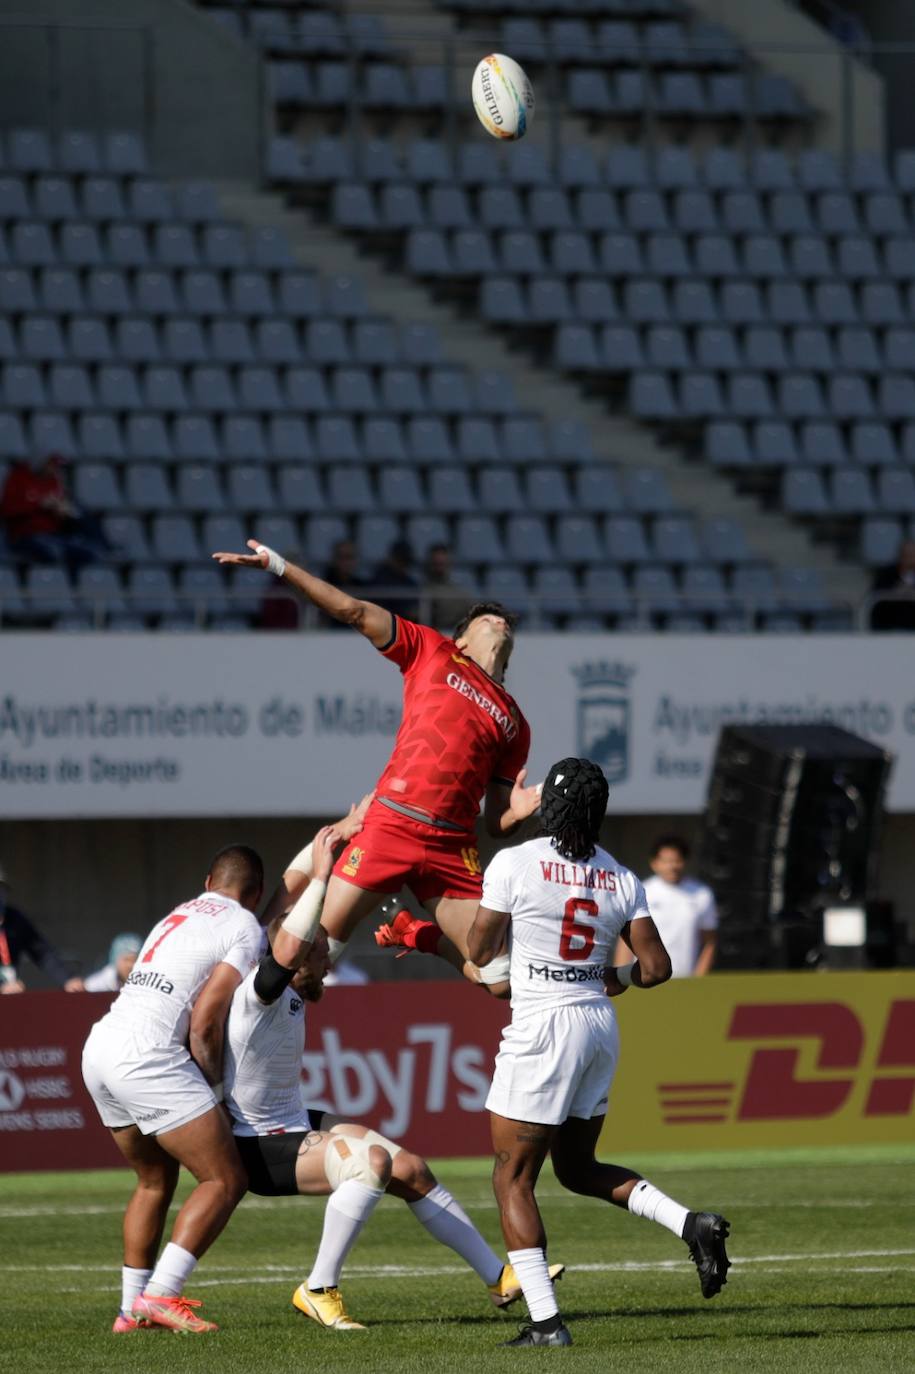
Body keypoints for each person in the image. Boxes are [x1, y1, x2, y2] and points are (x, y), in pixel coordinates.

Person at [223, 829, 563, 1331]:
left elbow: (288, 892)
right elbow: (291, 933)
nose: (328, 956)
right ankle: (318, 1288)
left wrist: (349, 828)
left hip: (291, 1120)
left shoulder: (300, 984)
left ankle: (499, 1277)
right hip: (256, 1143)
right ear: (294, 958)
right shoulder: (262, 991)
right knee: (372, 1165)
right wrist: (324, 876)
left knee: (411, 1168)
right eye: (319, 950)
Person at [467, 757, 731, 1348]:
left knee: (513, 1179)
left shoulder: (515, 861)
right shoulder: (622, 876)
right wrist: (607, 977)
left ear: (548, 807)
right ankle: (692, 1224)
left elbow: (479, 944)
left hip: (543, 1029)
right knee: (578, 1169)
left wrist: (485, 957)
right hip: (596, 1024)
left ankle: (545, 1323)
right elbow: (658, 968)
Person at [213, 536, 541, 996]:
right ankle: (229, 988)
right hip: (393, 824)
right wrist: (280, 566)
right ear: (461, 637)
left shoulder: (515, 723)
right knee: (301, 958)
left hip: (451, 846)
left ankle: (413, 933)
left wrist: (518, 813)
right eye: (487, 616)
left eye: (505, 621)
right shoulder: (432, 649)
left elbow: (497, 821)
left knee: (499, 980)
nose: (499, 620)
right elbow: (351, 609)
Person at [81, 845, 268, 1334]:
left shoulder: (180, 912)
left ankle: (128, 1312)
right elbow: (206, 1019)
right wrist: (217, 1093)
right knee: (225, 1179)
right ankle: (161, 1296)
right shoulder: (245, 926)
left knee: (153, 1181)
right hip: (148, 1057)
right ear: (257, 894)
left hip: (100, 1046)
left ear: (209, 882)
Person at [0, 453, 108, 569]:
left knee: (85, 550)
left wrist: (64, 512)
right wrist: (40, 504)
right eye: (50, 464)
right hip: (26, 536)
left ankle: (103, 547)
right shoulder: (19, 478)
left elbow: (60, 513)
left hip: (52, 536)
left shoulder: (54, 480)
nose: (54, 468)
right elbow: (8, 509)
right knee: (54, 552)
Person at [638, 835, 718, 979]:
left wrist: (698, 979)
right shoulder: (642, 891)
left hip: (685, 980)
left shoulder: (701, 894)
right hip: (645, 979)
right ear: (654, 863)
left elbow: (709, 942)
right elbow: (626, 939)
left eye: (677, 861)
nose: (672, 866)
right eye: (666, 861)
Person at [0, 863, 84, 993]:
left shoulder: (15, 919)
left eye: (2, 889)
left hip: (11, 994)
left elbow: (43, 953)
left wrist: (68, 979)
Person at [318, 539, 367, 628]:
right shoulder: (322, 585)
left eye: (349, 557)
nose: (345, 562)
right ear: (333, 559)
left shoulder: (363, 586)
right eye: (341, 557)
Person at [422, 542, 470, 630]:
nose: (439, 567)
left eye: (442, 563)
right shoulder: (421, 588)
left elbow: (470, 608)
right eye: (436, 563)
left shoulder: (458, 590)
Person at [870, 539, 915, 631]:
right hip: (891, 626)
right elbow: (875, 595)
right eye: (906, 555)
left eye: (912, 555)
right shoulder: (887, 574)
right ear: (900, 555)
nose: (910, 558)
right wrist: (896, 591)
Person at [372, 537, 419, 621]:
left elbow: (414, 610)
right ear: (392, 558)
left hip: (404, 626)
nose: (402, 564)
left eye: (405, 561)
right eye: (399, 560)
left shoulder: (410, 582)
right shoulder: (380, 579)